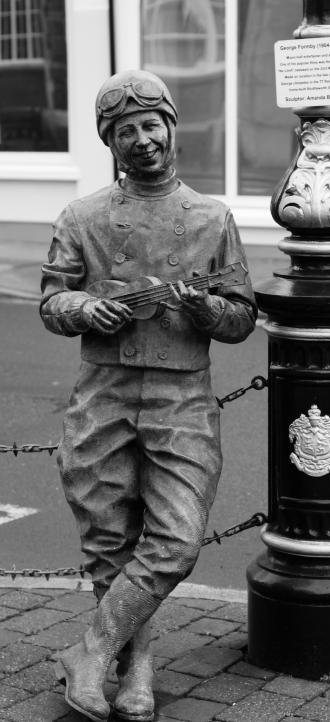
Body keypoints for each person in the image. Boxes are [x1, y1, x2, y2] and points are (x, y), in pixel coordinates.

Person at [40, 69, 257, 722]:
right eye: (125, 130)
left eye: (150, 125)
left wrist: (204, 310)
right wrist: (85, 308)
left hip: (180, 396)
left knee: (177, 538)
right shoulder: (81, 217)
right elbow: (51, 299)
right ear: (112, 142)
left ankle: (91, 649)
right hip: (101, 394)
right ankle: (135, 667)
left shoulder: (211, 218)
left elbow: (242, 317)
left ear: (171, 129)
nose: (141, 139)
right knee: (108, 539)